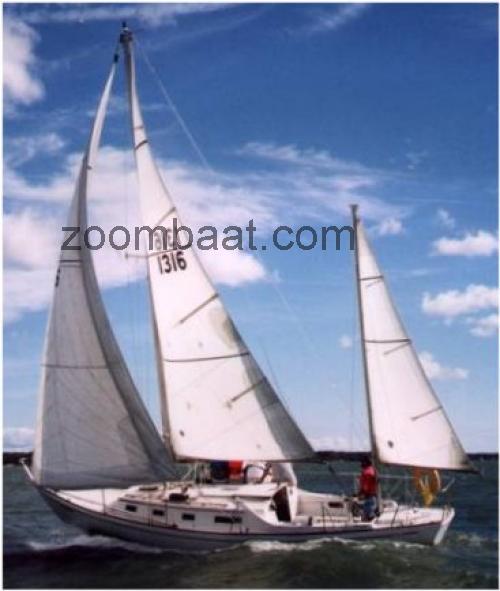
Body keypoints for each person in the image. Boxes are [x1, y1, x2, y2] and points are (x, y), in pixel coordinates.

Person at [358, 456, 378, 521]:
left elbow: (366, 485)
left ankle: (368, 519)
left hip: (369, 495)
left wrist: (361, 492)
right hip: (372, 495)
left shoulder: (367, 472)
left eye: (362, 462)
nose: (361, 464)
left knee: (369, 513)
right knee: (369, 510)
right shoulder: (372, 470)